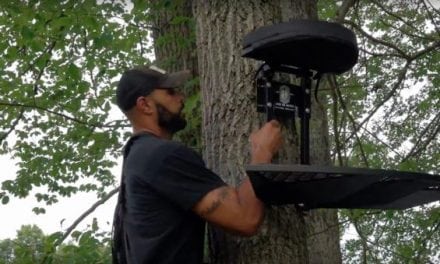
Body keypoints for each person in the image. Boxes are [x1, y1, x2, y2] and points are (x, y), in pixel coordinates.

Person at [112, 66, 283, 264]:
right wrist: (262, 152)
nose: (181, 98)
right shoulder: (162, 156)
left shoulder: (136, 156)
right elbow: (245, 219)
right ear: (145, 105)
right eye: (171, 92)